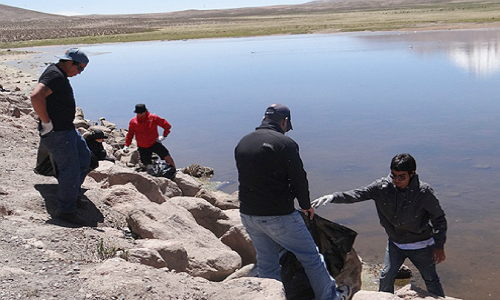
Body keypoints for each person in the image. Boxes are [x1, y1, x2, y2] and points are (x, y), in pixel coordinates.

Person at [234, 103, 351, 300]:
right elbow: (299, 179)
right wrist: (306, 206)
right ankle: (330, 297)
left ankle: (271, 296)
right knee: (311, 258)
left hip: (248, 215)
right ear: (284, 122)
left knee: (267, 263)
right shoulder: (285, 144)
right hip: (278, 216)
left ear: (264, 119)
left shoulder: (243, 142)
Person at [312, 153, 447, 297]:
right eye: (394, 175)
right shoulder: (382, 187)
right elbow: (357, 194)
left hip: (420, 245)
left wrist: (439, 245)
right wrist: (333, 197)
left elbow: (439, 219)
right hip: (396, 243)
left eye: (401, 177)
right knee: (386, 276)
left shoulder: (423, 192)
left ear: (412, 174)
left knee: (431, 279)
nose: (396, 180)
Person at [30, 47, 91, 226]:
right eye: (79, 68)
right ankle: (65, 211)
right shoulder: (55, 75)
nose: (79, 73)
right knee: (70, 169)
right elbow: (36, 96)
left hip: (67, 130)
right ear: (70, 62)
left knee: (84, 159)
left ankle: (70, 195)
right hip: (58, 133)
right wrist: (46, 123)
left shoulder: (57, 74)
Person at [124, 104, 176, 170]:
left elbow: (167, 126)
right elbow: (130, 134)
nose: (140, 115)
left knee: (166, 156)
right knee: (147, 165)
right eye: (138, 113)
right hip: (142, 146)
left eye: (141, 113)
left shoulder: (153, 118)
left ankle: (174, 171)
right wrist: (126, 145)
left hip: (154, 142)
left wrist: (164, 136)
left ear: (145, 111)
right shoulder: (133, 122)